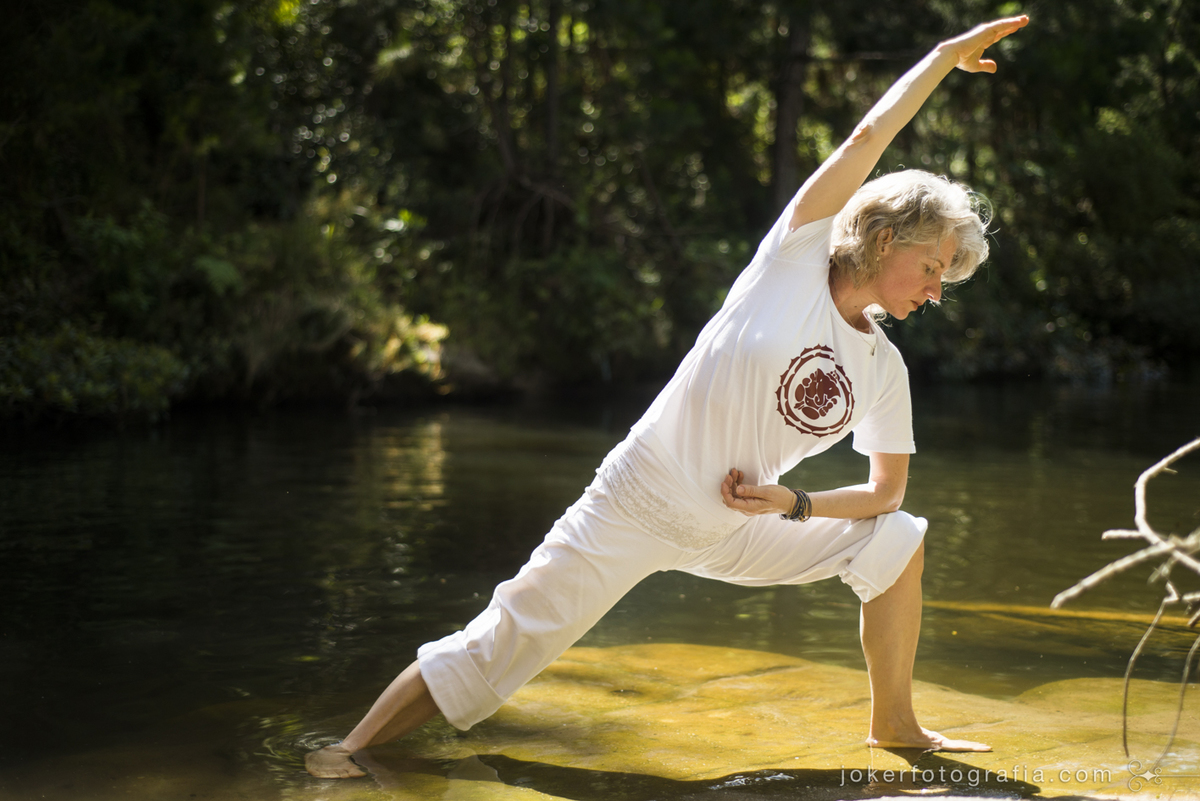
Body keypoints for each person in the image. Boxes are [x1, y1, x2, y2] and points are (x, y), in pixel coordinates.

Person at [306, 14, 1030, 779]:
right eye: (933, 267)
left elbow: (887, 493)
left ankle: (896, 723)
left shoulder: (884, 367)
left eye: (946, 279)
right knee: (502, 639)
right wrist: (940, 60)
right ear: (888, 239)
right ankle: (350, 751)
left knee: (898, 538)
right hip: (639, 497)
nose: (936, 290)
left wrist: (795, 504)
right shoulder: (791, 258)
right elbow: (864, 140)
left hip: (738, 521)